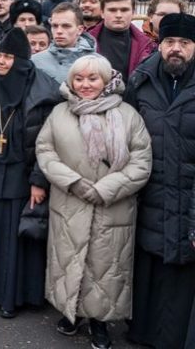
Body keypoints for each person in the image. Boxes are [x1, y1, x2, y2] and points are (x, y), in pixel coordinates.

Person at [36, 54, 151, 349]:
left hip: (112, 206)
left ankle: (99, 322)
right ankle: (71, 313)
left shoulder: (128, 115)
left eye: (92, 78)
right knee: (69, 260)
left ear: (106, 81)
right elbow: (45, 151)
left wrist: (105, 188)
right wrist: (73, 181)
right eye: (79, 78)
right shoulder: (60, 113)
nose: (85, 84)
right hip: (70, 202)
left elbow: (141, 163)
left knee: (104, 267)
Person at [0, 27, 61, 318]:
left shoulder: (44, 90)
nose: (1, 62)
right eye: (0, 56)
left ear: (22, 60)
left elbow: (48, 143)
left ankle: (15, 297)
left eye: (8, 57)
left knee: (17, 238)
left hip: (24, 175)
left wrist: (38, 181)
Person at [125, 13, 195, 348]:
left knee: (179, 274)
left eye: (184, 43)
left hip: (188, 198)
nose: (176, 50)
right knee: (149, 269)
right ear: (160, 44)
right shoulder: (141, 80)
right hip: (149, 194)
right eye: (170, 42)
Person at [88, 0, 154, 82]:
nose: (118, 15)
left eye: (124, 10)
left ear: (133, 13)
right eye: (112, 10)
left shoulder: (147, 45)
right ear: (102, 13)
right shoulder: (86, 41)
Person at [32, 3, 96, 85]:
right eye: (55, 26)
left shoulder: (97, 62)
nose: (59, 31)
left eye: (66, 26)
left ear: (79, 30)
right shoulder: (35, 62)